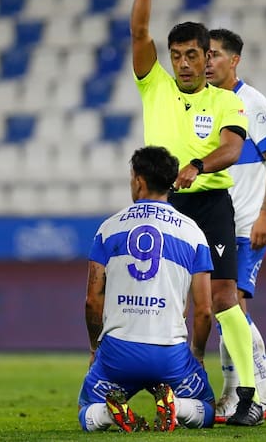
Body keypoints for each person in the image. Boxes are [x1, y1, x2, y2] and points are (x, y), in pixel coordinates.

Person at [130, 0, 262, 426]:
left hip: (208, 204)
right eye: (177, 55)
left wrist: (197, 167)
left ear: (209, 57)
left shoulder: (226, 100)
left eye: (192, 55)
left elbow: (232, 148)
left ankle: (246, 394)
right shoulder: (154, 84)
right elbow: (139, 30)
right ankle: (169, 380)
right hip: (164, 208)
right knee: (162, 299)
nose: (183, 63)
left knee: (224, 295)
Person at [79, 146, 216, 432]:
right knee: (207, 409)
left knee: (86, 412)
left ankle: (108, 413)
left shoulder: (108, 228)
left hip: (119, 352)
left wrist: (95, 349)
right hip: (170, 353)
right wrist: (197, 355)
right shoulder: (193, 232)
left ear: (139, 181)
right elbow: (204, 311)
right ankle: (176, 406)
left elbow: (93, 300)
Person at [205, 28, 266, 422]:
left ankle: (263, 391)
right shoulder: (208, 104)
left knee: (231, 305)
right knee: (224, 309)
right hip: (219, 224)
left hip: (246, 225)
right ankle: (237, 394)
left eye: (215, 55)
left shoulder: (252, 102)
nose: (206, 62)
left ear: (234, 60)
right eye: (205, 54)